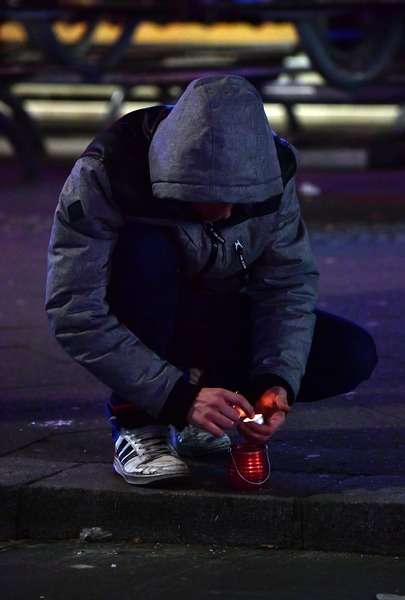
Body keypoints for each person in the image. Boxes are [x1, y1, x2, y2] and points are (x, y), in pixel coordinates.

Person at [45, 75, 378, 486]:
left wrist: (274, 381)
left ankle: (213, 409)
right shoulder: (108, 171)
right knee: (146, 253)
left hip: (207, 317)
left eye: (238, 197)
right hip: (138, 314)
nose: (224, 213)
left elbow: (287, 285)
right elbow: (74, 310)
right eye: (208, 195)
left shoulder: (274, 171)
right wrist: (175, 396)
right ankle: (140, 422)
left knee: (349, 352)